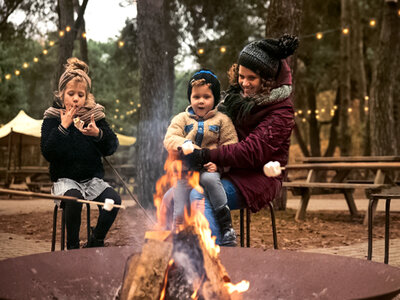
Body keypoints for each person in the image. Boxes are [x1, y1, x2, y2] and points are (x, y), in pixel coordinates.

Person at [183, 34, 299, 241]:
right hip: (228, 169)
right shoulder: (235, 99)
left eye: (251, 78)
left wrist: (207, 155)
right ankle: (186, 256)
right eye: (241, 76)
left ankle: (219, 260)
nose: (244, 83)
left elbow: (252, 151)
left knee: (200, 197)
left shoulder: (281, 110)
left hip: (258, 177)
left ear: (267, 79)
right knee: (179, 192)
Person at [41, 57, 121, 249]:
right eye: (71, 94)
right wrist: (63, 127)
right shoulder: (52, 118)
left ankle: (96, 239)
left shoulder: (94, 116)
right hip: (65, 181)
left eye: (80, 94)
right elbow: (48, 152)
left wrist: (98, 134)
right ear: (61, 95)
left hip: (92, 180)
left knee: (113, 200)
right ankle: (73, 247)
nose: (76, 99)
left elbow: (112, 146)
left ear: (86, 96)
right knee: (74, 200)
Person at [163, 69, 239, 246]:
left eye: (206, 96)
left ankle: (226, 225)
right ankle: (178, 234)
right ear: (190, 98)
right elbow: (170, 138)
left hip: (208, 167)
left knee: (212, 181)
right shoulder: (181, 119)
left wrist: (219, 164)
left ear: (215, 99)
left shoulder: (222, 120)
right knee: (178, 200)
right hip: (186, 171)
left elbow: (231, 145)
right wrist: (186, 146)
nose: (201, 101)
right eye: (196, 97)